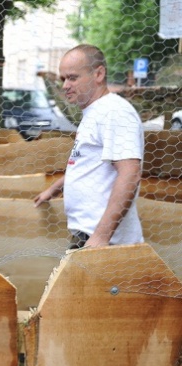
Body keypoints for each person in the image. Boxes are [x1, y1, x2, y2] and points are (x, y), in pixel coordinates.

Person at [33, 44, 144, 249]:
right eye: (63, 78)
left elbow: (130, 174)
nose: (65, 85)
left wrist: (101, 236)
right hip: (90, 236)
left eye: (72, 78)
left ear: (98, 74)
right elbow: (90, 166)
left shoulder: (114, 112)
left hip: (105, 241)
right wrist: (54, 189)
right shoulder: (94, 112)